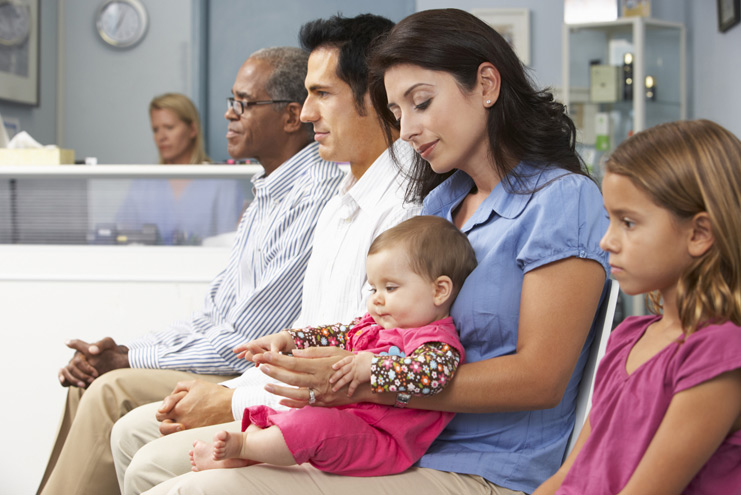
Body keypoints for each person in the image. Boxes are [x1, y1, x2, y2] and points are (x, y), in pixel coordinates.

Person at [142, 8, 610, 495]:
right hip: (388, 438)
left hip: (482, 467)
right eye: (397, 111)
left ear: (487, 85)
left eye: (421, 103)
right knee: (162, 473)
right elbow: (387, 332)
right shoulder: (440, 204)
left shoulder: (561, 200)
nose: (406, 129)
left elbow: (540, 380)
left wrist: (361, 382)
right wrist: (310, 353)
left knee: (193, 489)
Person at [111, 14, 420, 495]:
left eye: (322, 94)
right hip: (294, 398)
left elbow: (350, 365)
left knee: (151, 465)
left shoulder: (403, 211)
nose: (308, 113)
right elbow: (300, 336)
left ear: (375, 96)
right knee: (130, 433)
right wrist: (231, 393)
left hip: (341, 421)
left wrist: (228, 402)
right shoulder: (341, 195)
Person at [38, 46, 346, 495]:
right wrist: (122, 350)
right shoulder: (268, 192)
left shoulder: (313, 193)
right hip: (227, 360)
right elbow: (213, 315)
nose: (229, 114)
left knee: (108, 389)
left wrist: (125, 359)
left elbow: (242, 342)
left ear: (290, 116)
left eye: (243, 103)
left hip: (245, 373)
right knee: (88, 379)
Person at [533, 119, 741, 495]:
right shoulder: (628, 336)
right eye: (610, 219)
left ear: (699, 234)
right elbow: (571, 475)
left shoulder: (720, 351)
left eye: (628, 223)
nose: (606, 241)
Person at [189, 215, 476, 476]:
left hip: (381, 440)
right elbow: (336, 333)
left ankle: (243, 449)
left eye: (390, 288)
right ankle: (249, 451)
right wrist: (289, 339)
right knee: (294, 416)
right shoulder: (376, 325)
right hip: (350, 420)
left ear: (439, 291)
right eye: (372, 288)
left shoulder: (437, 342)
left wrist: (373, 368)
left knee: (313, 426)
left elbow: (432, 377)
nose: (376, 298)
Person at [115, 93, 245, 245]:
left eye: (169, 127)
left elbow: (229, 246)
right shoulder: (144, 184)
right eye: (155, 130)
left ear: (192, 130)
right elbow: (123, 238)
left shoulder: (222, 183)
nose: (161, 137)